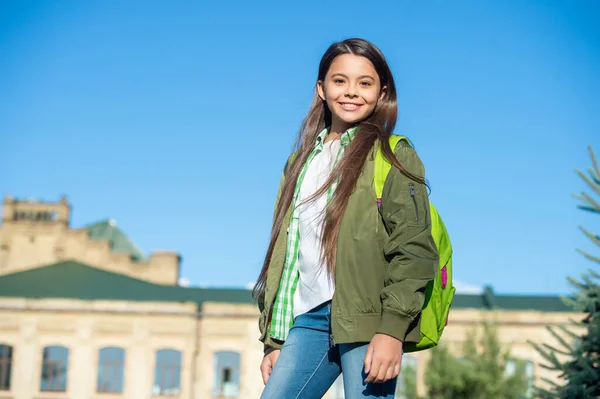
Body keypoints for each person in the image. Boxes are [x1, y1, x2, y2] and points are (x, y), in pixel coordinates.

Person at [253, 38, 439, 399]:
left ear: (382, 91)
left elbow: (415, 249)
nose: (351, 92)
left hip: (370, 317)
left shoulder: (392, 155)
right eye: (340, 81)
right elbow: (286, 256)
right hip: (308, 321)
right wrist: (273, 340)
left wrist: (391, 330)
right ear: (321, 89)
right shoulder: (299, 164)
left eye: (365, 83)